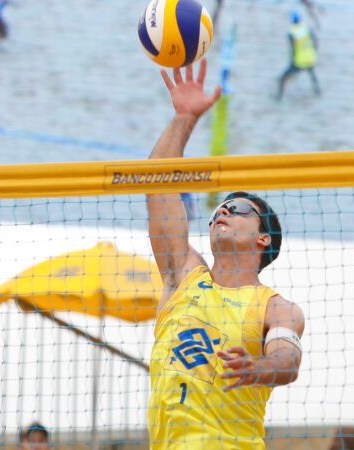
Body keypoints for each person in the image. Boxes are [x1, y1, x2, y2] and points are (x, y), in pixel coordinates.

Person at [146, 60, 305, 449]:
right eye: (221, 207)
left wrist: (257, 367)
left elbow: (287, 362)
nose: (224, 211)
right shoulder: (183, 275)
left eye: (240, 209)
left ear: (262, 239)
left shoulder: (276, 308)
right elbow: (156, 181)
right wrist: (184, 117)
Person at [277, 10, 320, 100]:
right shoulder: (307, 29)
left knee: (282, 79)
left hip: (299, 61)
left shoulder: (292, 33)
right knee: (312, 74)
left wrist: (292, 62)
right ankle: (317, 91)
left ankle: (278, 98)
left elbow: (292, 50)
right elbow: (315, 42)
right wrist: (313, 53)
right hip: (310, 58)